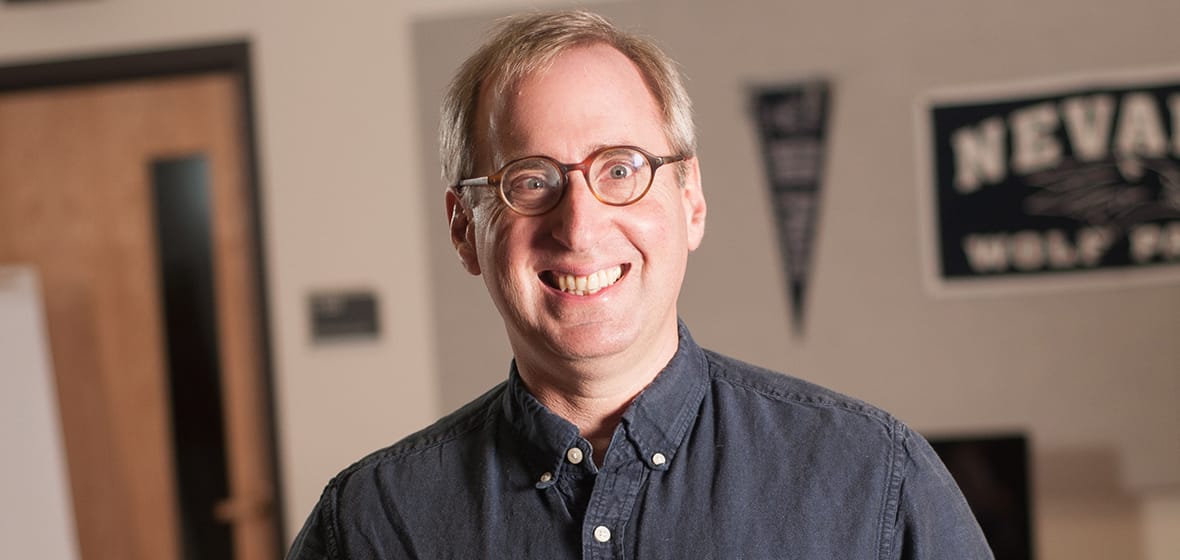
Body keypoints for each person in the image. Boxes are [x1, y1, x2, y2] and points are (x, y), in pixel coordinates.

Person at [288, 9, 993, 560]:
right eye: (530, 180)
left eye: (620, 169)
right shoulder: (371, 522)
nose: (581, 226)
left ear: (691, 200)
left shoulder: (871, 478)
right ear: (464, 230)